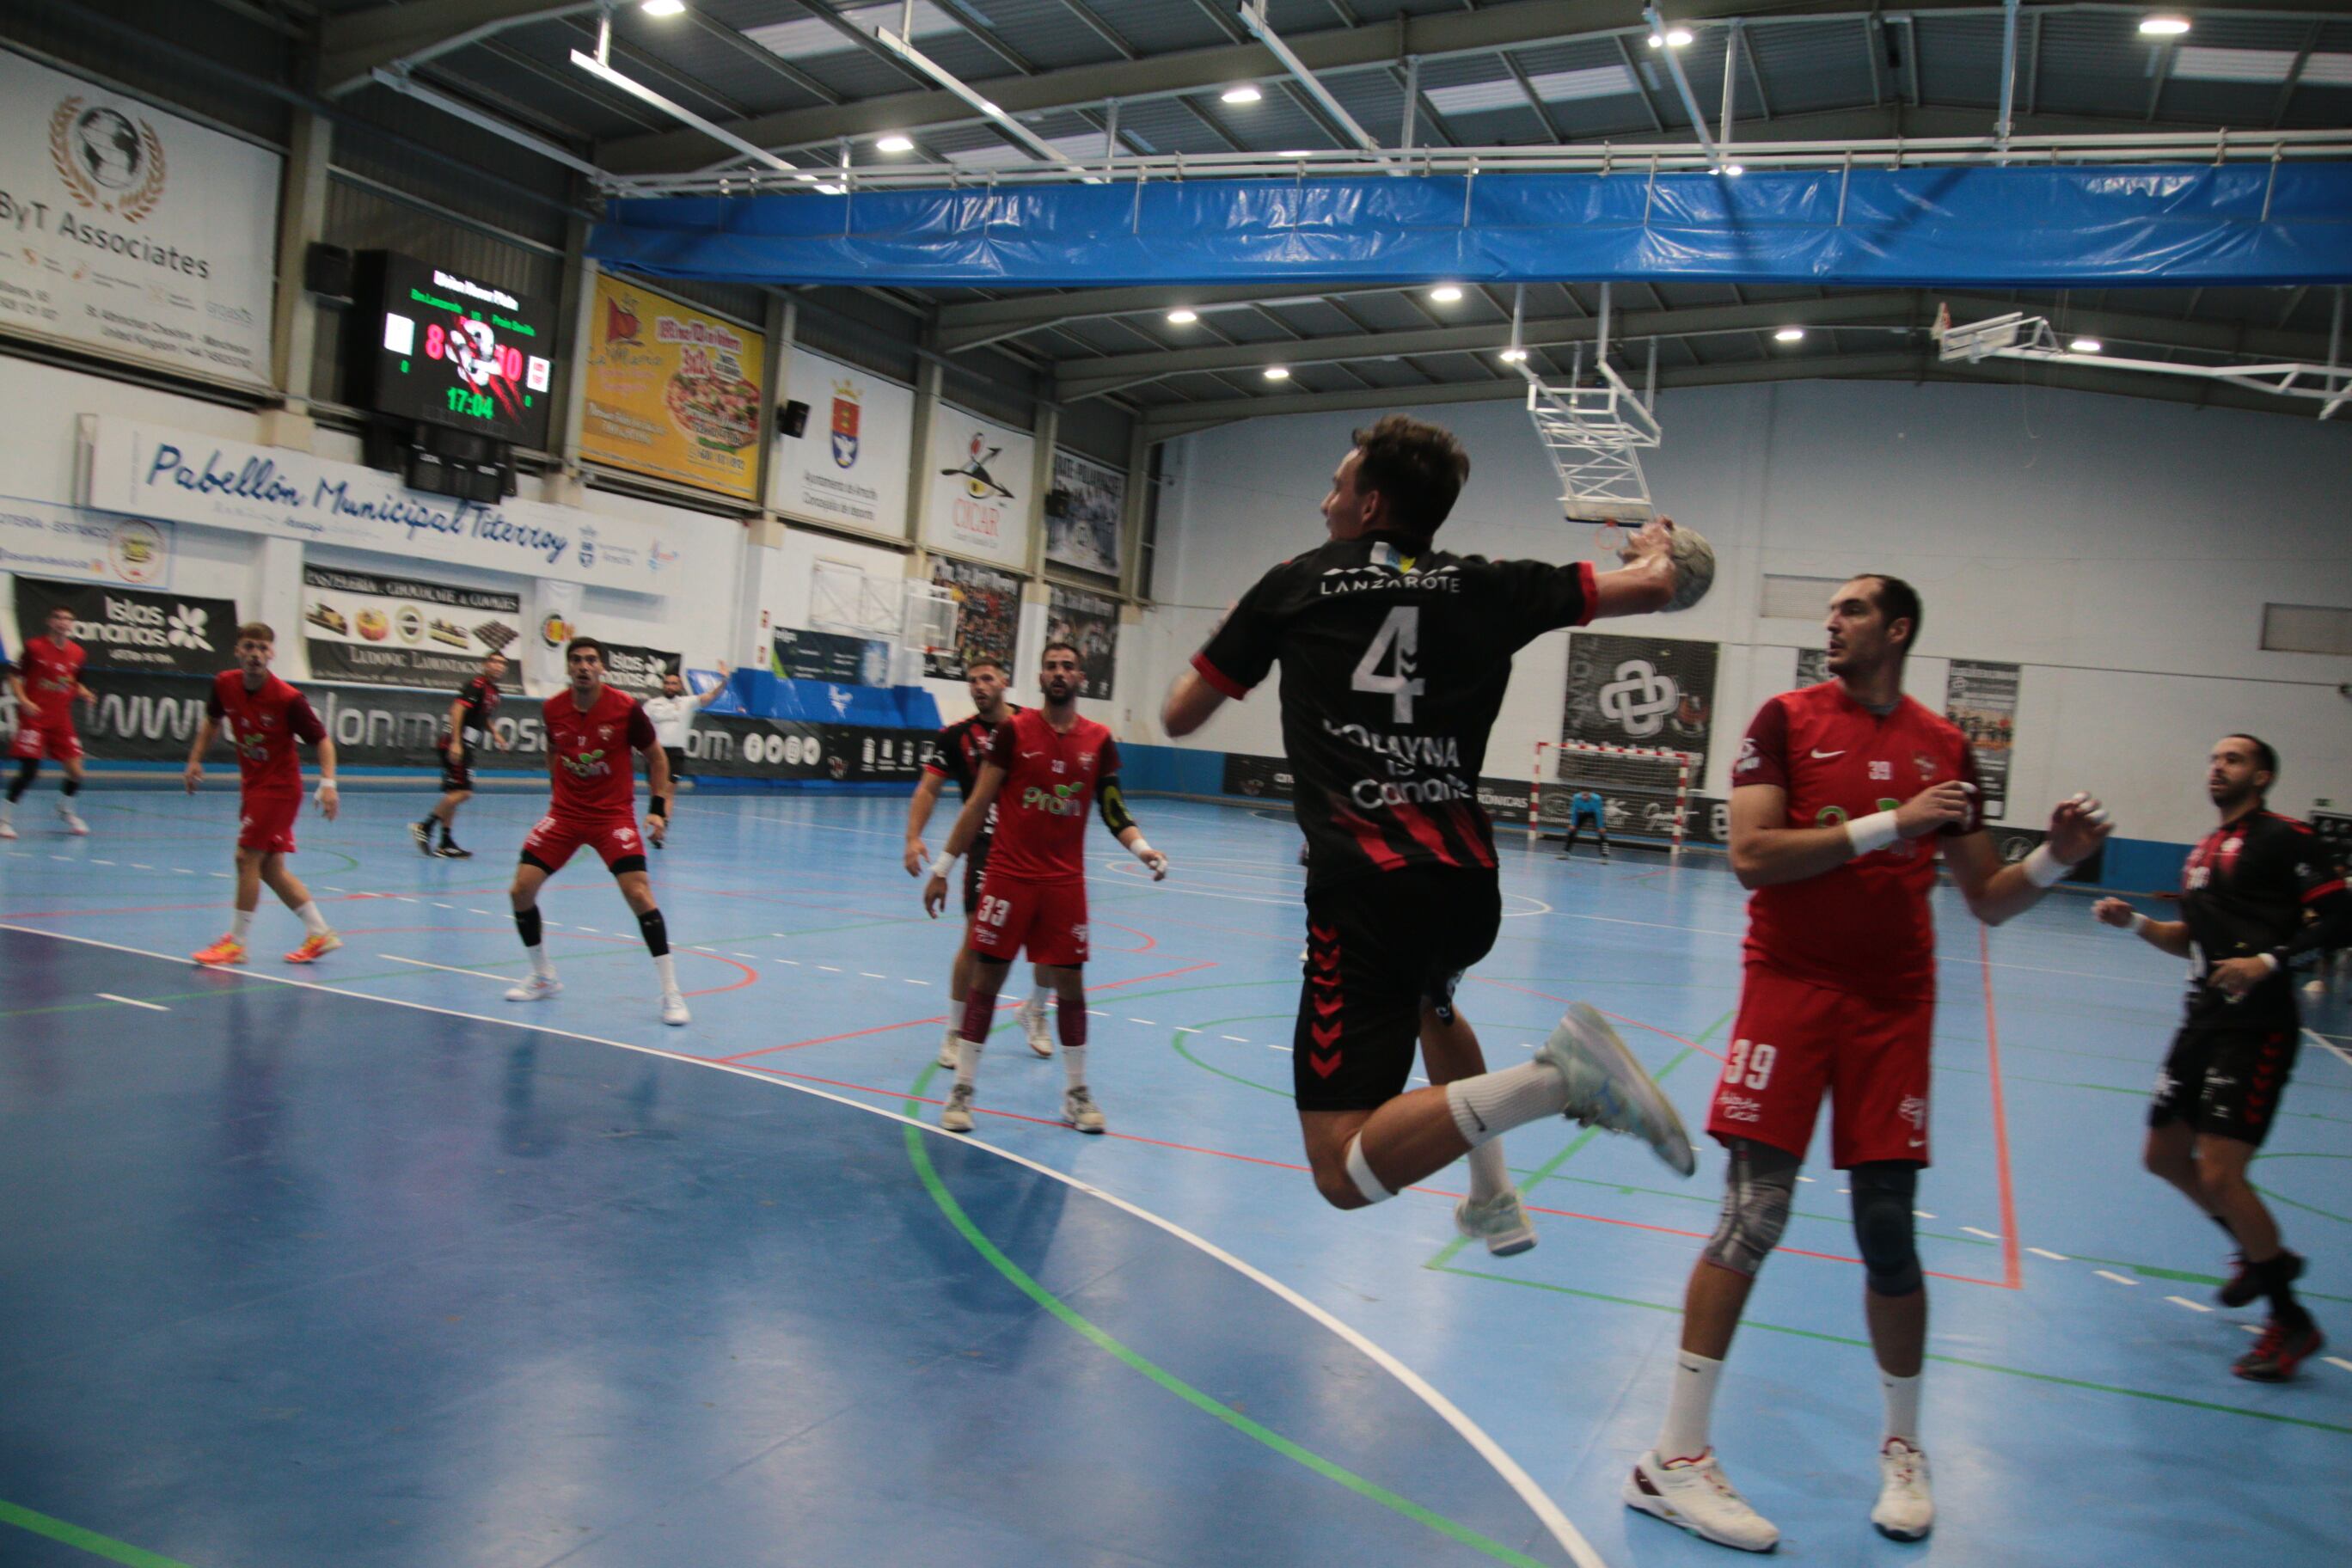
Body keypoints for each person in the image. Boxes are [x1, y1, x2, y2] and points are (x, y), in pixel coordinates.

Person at [1623, 575, 2110, 1553]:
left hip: (1895, 1006)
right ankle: (1673, 1459)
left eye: (1849, 610)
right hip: (1790, 989)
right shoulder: (1786, 719)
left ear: (1896, 629)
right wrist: (1896, 824)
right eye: (1831, 610)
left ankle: (1905, 1450)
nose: (1830, 622)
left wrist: (2054, 858)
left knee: (1887, 1227)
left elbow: (1989, 898)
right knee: (1753, 1213)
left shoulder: (1945, 744)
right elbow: (1754, 855)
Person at [1161, 414, 1703, 1270]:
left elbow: (1179, 712)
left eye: (1337, 487)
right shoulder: (1493, 586)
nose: (1325, 499)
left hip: (1366, 896)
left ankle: (1561, 1078)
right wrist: (1657, 543)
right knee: (1431, 1005)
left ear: (1371, 504)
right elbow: (1656, 585)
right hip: (1464, 889)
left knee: (1341, 1167)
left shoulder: (1292, 586)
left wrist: (1238, 630)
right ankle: (1492, 1194)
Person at [2092, 735, 2349, 1382]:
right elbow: (2193, 941)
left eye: (2232, 759)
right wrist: (2134, 925)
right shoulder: (2203, 853)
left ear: (2261, 775)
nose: (2217, 766)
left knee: (2222, 1175)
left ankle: (2291, 1319)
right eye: (2212, 757)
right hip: (2201, 1023)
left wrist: (2269, 962)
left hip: (2256, 1029)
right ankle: (2260, 1255)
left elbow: (2340, 917)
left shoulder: (2284, 839)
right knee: (2162, 1155)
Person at [923, 641, 1167, 1135]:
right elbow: (976, 805)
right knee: (985, 982)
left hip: (1063, 885)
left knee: (1071, 987)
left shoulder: (1099, 740)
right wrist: (944, 866)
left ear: (1082, 678)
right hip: (1008, 878)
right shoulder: (1014, 732)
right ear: (1040, 677)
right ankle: (963, 1089)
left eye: (1068, 667)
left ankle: (1075, 1093)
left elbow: (1113, 808)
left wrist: (1143, 850)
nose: (1060, 673)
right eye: (1052, 666)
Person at [505, 637, 688, 1026]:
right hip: (566, 815)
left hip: (612, 817)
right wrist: (557, 787)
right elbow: (554, 749)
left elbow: (656, 758)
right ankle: (543, 976)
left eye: (591, 660)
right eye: (576, 660)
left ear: (602, 667)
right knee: (521, 891)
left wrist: (657, 810)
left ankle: (671, 992)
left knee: (638, 893)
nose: (583, 666)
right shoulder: (553, 709)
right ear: (569, 667)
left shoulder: (625, 709)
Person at [903, 656, 1055, 1069]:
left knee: (1049, 944)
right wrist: (914, 837)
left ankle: (1035, 1012)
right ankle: (955, 1030)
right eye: (973, 681)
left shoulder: (1033, 724)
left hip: (1035, 846)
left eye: (987, 679)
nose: (979, 686)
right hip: (987, 847)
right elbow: (928, 790)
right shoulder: (955, 737)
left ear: (1004, 682)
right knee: (976, 937)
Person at [185, 623, 343, 966]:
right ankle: (320, 933)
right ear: (238, 651)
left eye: (262, 648)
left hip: (280, 788)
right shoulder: (224, 684)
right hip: (254, 785)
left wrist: (328, 784)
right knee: (270, 868)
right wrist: (195, 760)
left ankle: (237, 944)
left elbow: (322, 741)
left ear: (271, 654)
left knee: (246, 858)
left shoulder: (287, 699)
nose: (256, 654)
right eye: (249, 647)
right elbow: (212, 721)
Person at [3, 603, 95, 840]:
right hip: (34, 717)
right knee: (29, 772)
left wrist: (83, 692)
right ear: (49, 621)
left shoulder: (78, 653)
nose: (63, 622)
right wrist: (23, 700)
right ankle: (4, 819)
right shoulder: (34, 648)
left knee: (76, 771)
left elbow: (75, 681)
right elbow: (14, 676)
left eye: (67, 618)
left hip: (60, 719)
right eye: (58, 617)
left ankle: (65, 808)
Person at [416, 651, 507, 858]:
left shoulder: (494, 692)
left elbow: (482, 716)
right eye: (494, 661)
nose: (498, 666)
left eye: (502, 663)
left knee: (455, 794)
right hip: (457, 743)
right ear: (485, 664)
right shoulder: (476, 685)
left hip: (467, 744)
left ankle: (445, 842)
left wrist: (495, 733)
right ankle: (425, 827)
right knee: (464, 792)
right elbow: (457, 710)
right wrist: (456, 742)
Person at [640, 662, 731, 830]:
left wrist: (725, 680)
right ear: (663, 685)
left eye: (674, 683)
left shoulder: (688, 702)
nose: (670, 687)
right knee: (655, 791)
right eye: (667, 683)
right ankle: (656, 819)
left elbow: (710, 696)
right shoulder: (652, 704)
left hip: (675, 753)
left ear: (679, 685)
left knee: (667, 790)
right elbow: (639, 725)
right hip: (655, 753)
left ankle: (662, 826)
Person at [1562, 787, 1609, 861]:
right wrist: (1573, 824)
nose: (1584, 797)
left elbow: (1598, 813)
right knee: (1572, 831)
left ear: (1590, 794)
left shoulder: (1597, 799)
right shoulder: (1576, 797)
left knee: (1602, 834)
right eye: (1583, 795)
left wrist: (1601, 826)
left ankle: (1605, 856)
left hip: (1594, 813)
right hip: (1583, 812)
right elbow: (1574, 811)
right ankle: (1565, 853)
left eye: (1586, 795)